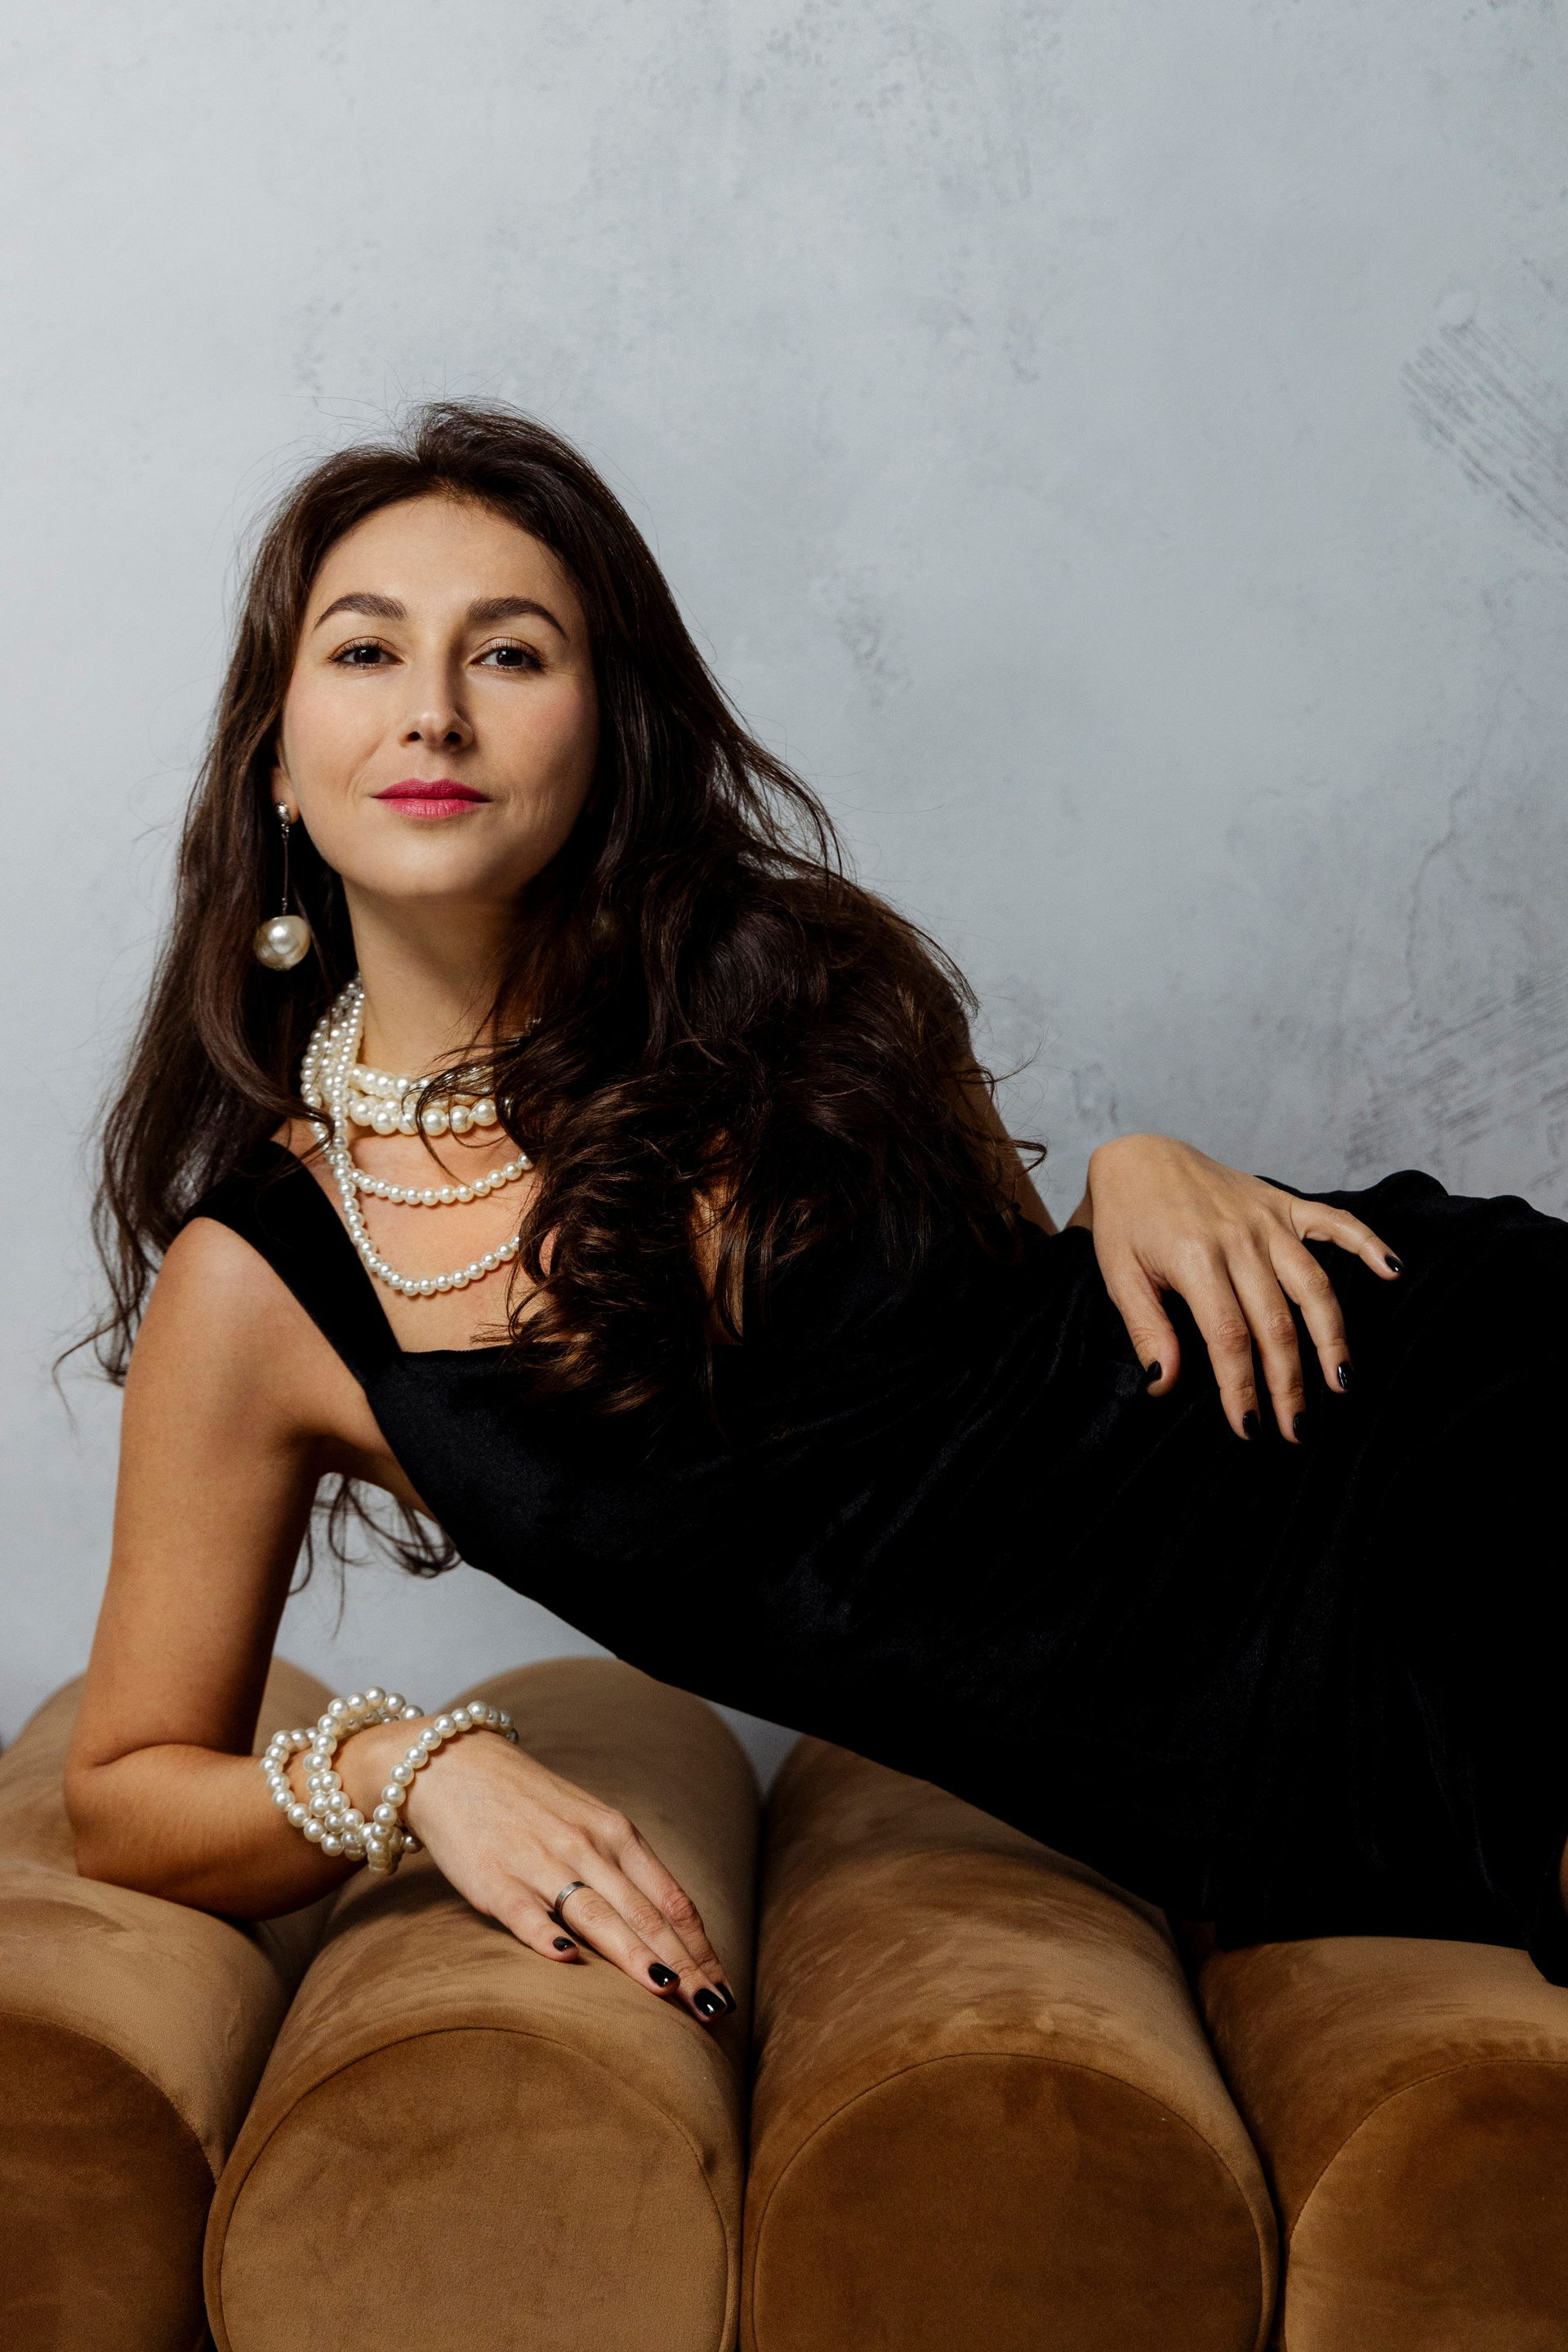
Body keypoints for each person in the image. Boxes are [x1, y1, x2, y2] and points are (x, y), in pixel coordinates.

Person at [63, 403, 1568, 2028]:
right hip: (1278, 1769)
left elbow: (1028, 1375)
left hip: (1428, 1416)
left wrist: (1138, 1165)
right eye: (366, 653)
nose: (434, 710)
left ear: (607, 729)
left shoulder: (800, 983)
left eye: (508, 654)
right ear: (276, 761)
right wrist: (409, 1769)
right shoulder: (264, 1281)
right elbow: (127, 1792)